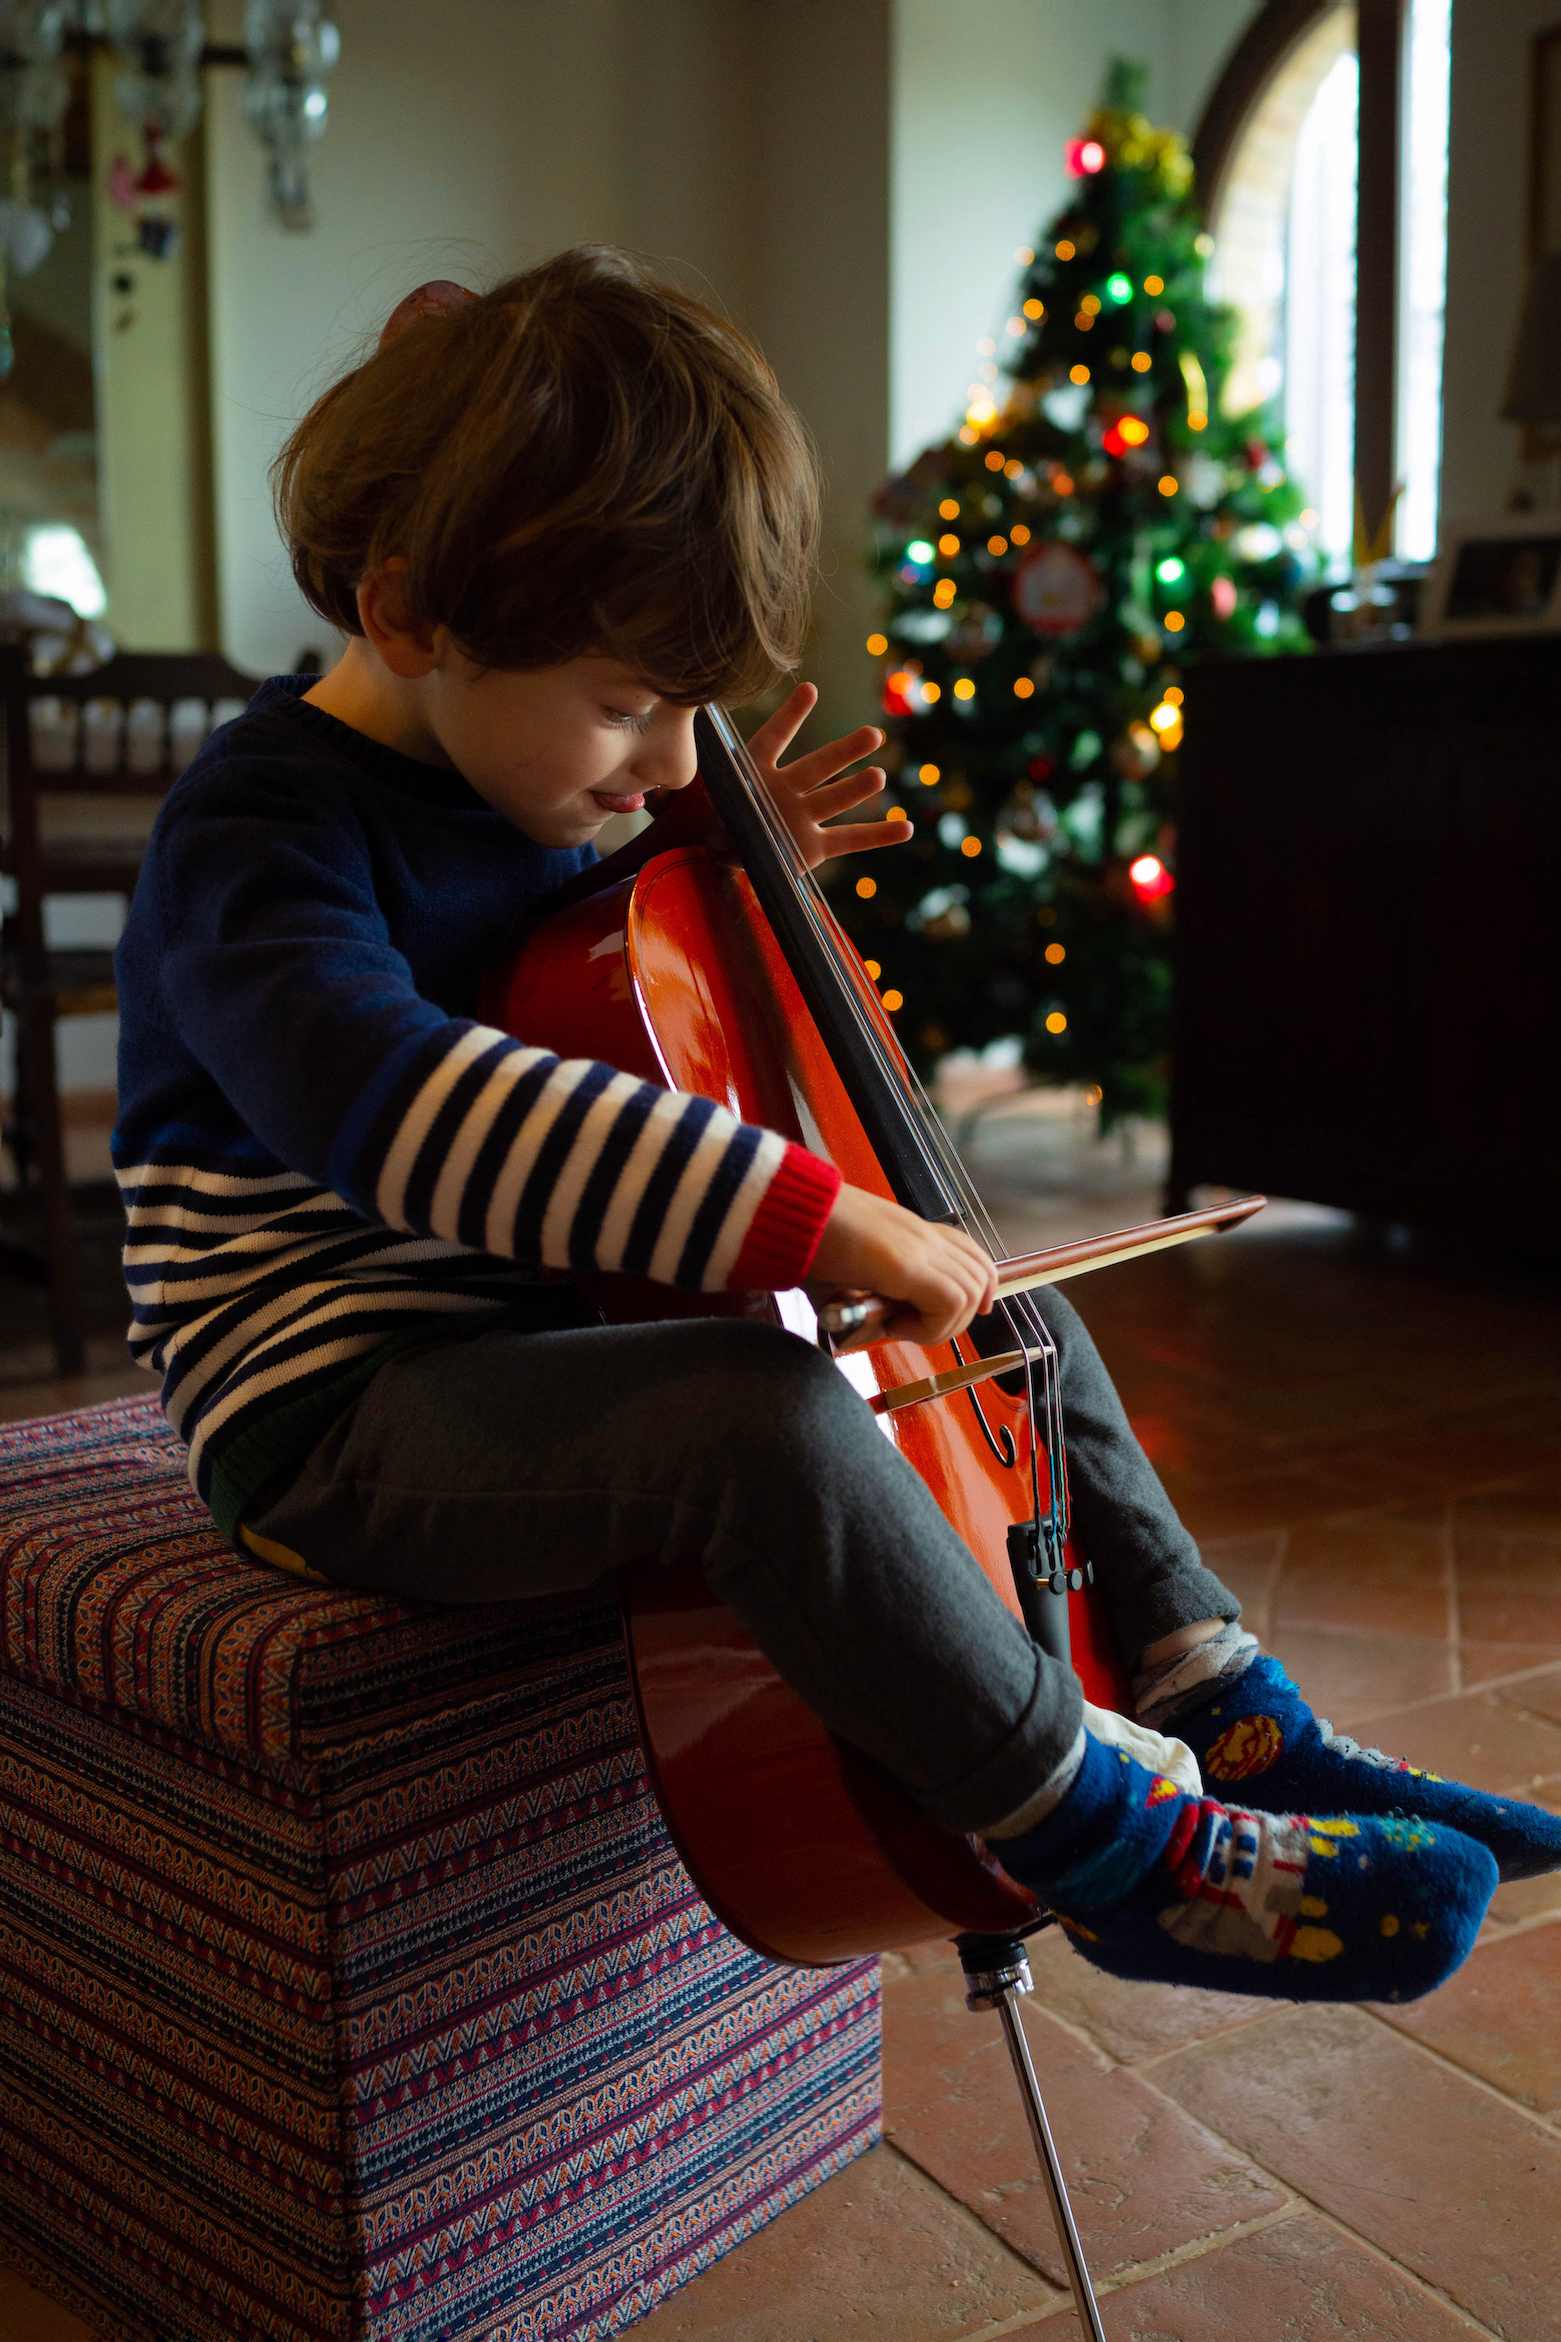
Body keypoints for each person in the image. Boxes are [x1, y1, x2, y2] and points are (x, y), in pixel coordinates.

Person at [113, 248, 1559, 2011]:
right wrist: (814, 1219)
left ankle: (1228, 1712)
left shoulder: (539, 779)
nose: (660, 762)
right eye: (627, 704)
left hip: (533, 1345)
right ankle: (1110, 1849)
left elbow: (583, 980)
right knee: (757, 1418)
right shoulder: (258, 837)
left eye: (686, 711)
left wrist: (709, 878)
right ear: (409, 612)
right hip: (335, 1414)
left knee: (1009, 1313)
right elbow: (406, 1108)